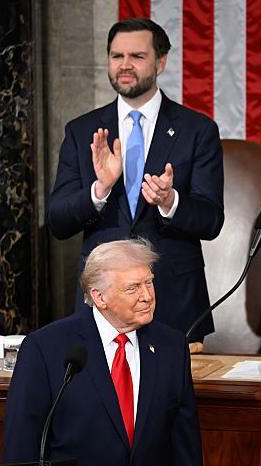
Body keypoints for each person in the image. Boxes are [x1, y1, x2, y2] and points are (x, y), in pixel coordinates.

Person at [47, 18, 224, 348]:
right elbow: (58, 220)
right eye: (116, 56)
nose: (124, 66)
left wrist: (171, 201)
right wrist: (99, 191)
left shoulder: (197, 130)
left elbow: (212, 220)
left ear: (161, 61)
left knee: (174, 400)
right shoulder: (82, 131)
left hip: (174, 307)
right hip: (102, 307)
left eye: (137, 57)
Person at [2, 239, 204, 466]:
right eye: (133, 288)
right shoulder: (46, 348)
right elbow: (21, 448)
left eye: (149, 283)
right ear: (99, 297)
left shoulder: (171, 346)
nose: (147, 296)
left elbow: (185, 446)